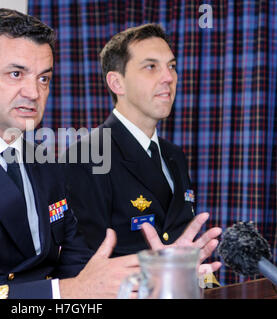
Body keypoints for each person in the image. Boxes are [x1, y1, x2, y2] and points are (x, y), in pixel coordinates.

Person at [0, 10, 219, 299]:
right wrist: (61, 294)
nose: (33, 92)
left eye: (44, 79)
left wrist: (153, 274)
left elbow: (80, 271)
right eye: (16, 74)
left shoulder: (45, 163)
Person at [64, 24, 222, 277]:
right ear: (117, 82)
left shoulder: (174, 156)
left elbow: (181, 242)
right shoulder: (88, 156)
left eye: (171, 66)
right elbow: (83, 268)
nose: (168, 77)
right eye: (151, 67)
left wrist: (204, 283)